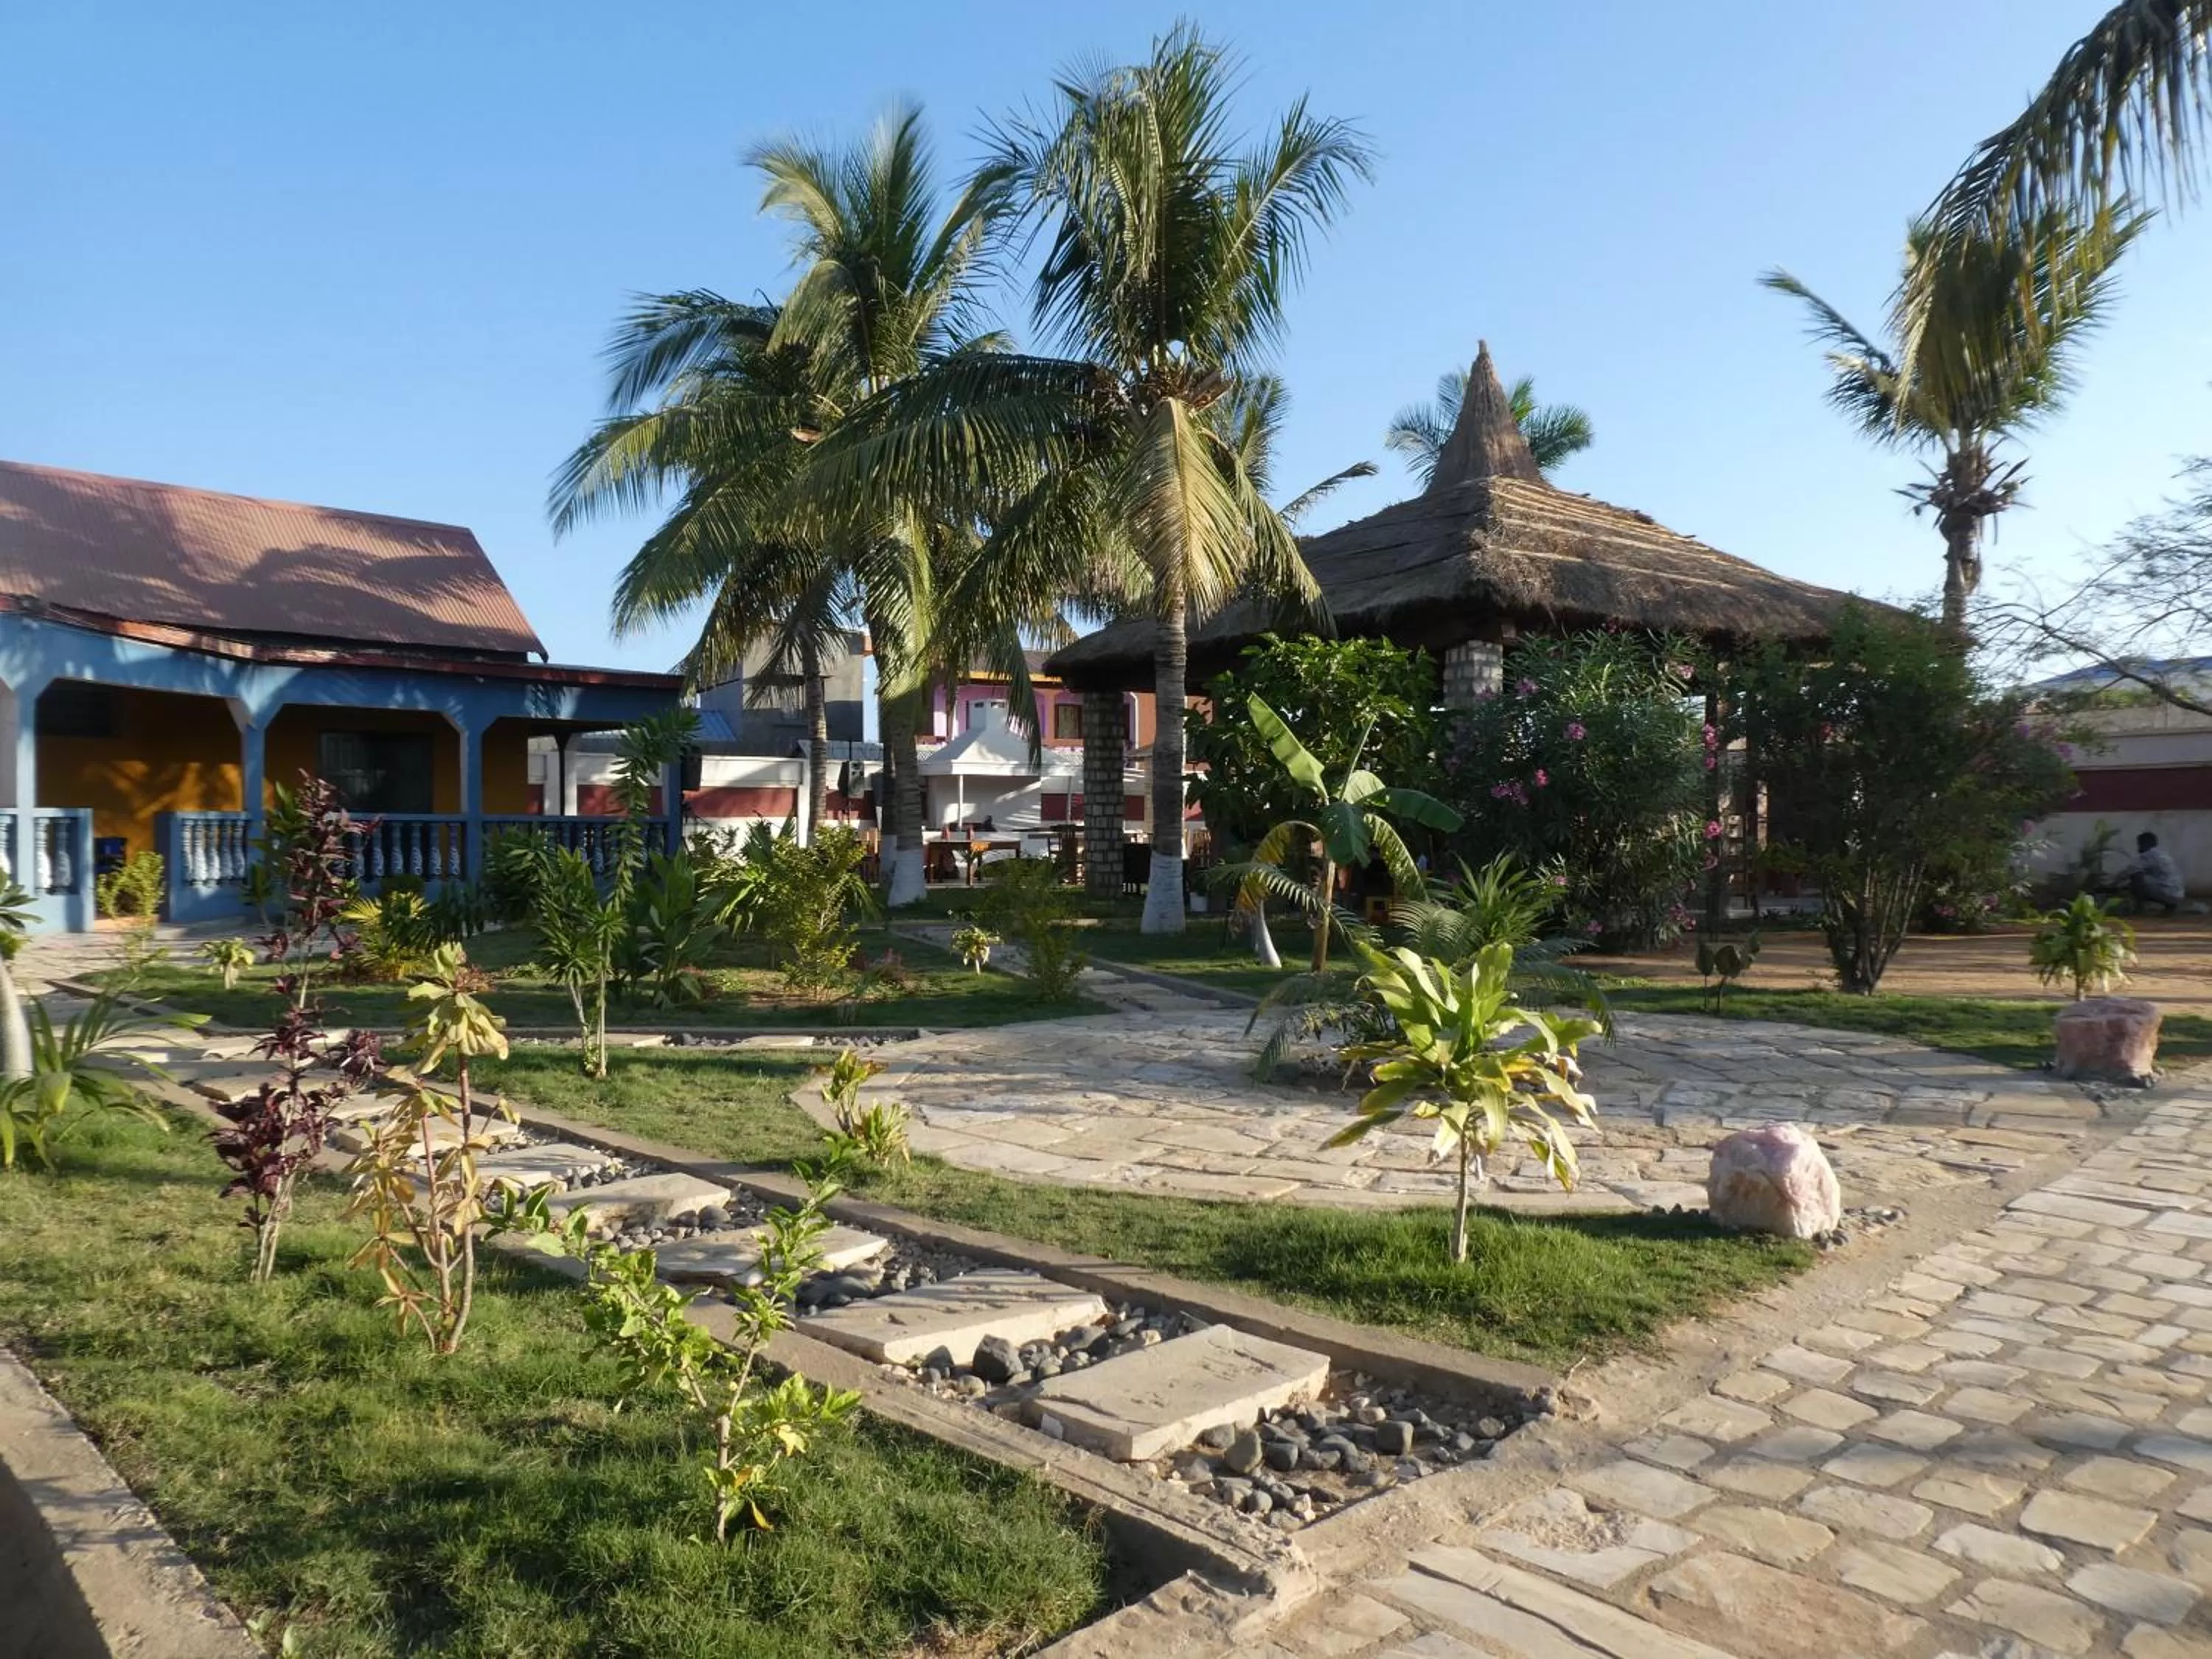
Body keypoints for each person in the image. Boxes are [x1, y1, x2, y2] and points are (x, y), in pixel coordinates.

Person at [2124, 832, 2185, 915]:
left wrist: (2111, 883)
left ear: (2144, 843)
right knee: (2143, 878)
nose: (2138, 847)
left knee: (2136, 877)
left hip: (2169, 894)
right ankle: (2171, 906)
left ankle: (2139, 909)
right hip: (2178, 895)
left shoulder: (2149, 854)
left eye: (2139, 844)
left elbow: (2130, 870)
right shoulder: (2163, 853)